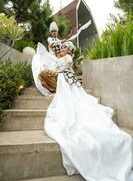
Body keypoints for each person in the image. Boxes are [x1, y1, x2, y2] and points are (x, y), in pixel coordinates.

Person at [32, 42, 133, 181]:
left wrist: (55, 64)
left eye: (64, 48)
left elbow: (62, 64)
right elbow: (55, 61)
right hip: (63, 77)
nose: (62, 50)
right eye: (61, 49)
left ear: (69, 51)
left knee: (77, 103)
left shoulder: (68, 58)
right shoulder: (60, 58)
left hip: (67, 79)